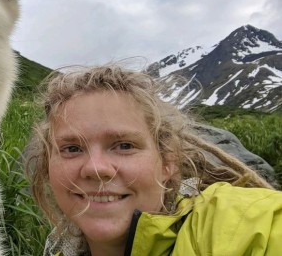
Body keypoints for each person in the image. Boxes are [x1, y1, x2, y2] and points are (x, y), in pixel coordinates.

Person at [25, 65, 282, 256]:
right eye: (71, 148)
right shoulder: (57, 250)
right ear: (48, 166)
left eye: (124, 145)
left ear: (168, 161)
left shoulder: (238, 221)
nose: (96, 168)